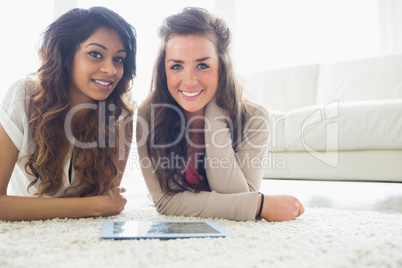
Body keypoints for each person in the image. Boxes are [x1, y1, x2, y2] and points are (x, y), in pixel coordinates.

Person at [136, 7, 304, 221]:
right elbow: (165, 202)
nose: (188, 81)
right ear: (163, 70)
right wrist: (260, 204)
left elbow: (239, 196)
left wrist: (215, 115)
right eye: (176, 66)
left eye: (202, 65)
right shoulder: (150, 114)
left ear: (222, 68)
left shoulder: (255, 119)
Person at [0, 6, 136, 221]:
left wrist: (99, 205)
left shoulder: (122, 108)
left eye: (118, 59)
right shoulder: (22, 98)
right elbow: (101, 204)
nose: (111, 70)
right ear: (64, 55)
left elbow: (104, 199)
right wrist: (95, 206)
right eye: (95, 54)